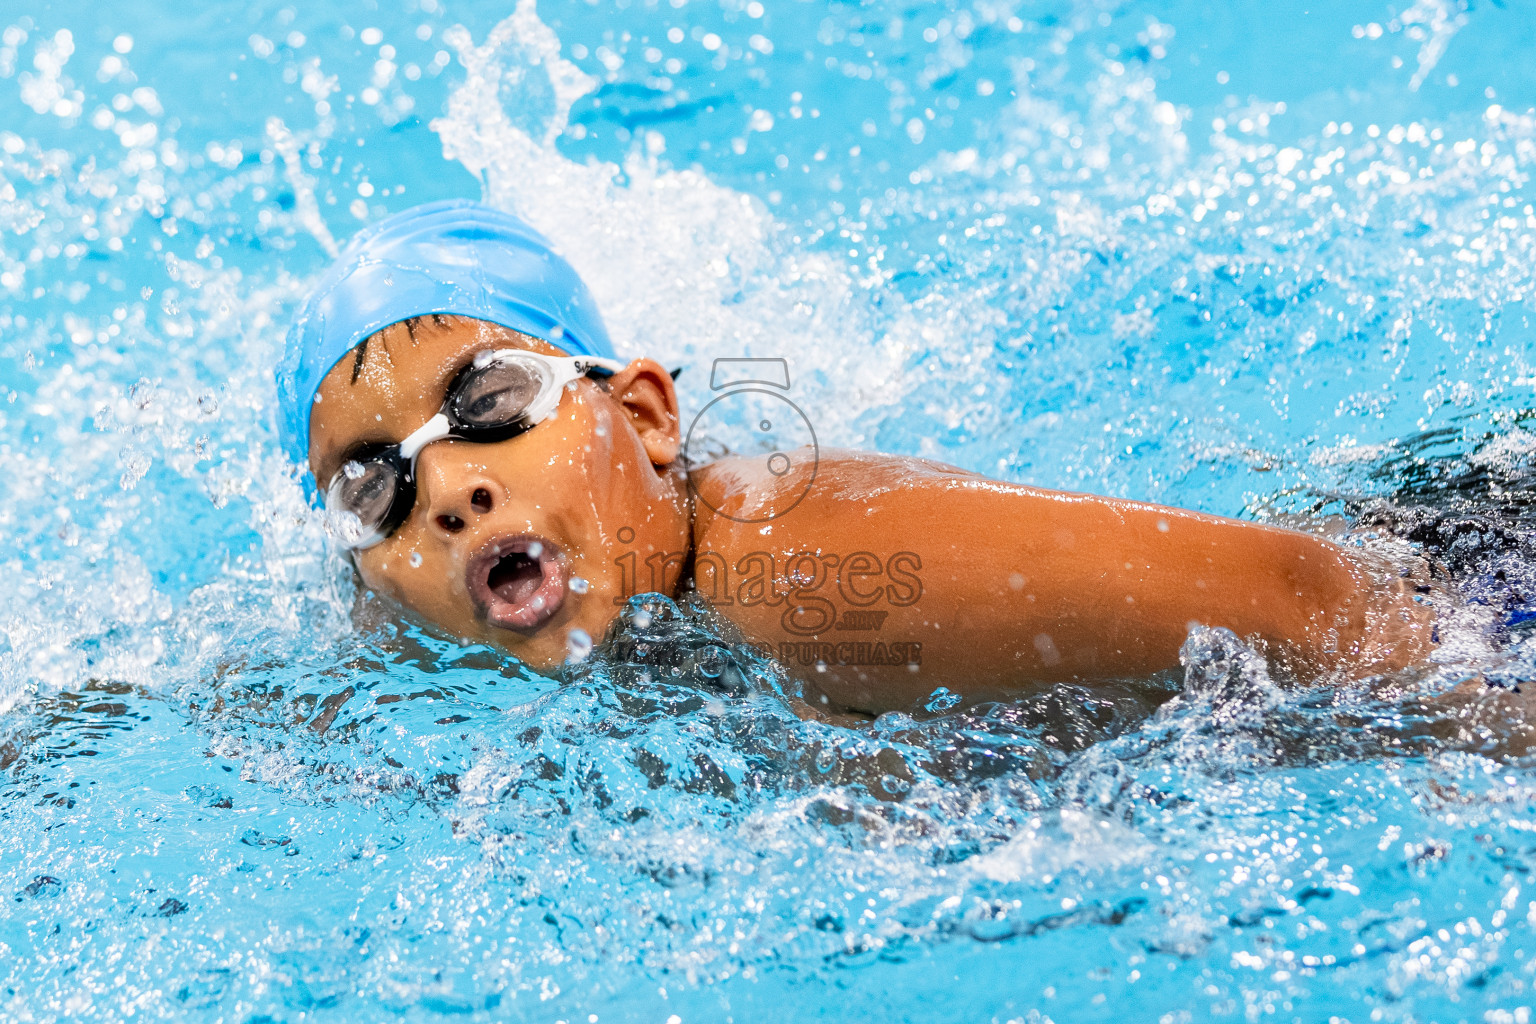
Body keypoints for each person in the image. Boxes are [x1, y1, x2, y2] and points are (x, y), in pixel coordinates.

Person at [278, 200, 1434, 717]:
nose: (449, 488)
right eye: (373, 485)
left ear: (645, 415)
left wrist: (1482, 736)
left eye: (490, 399)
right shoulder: (460, 638)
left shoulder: (798, 567)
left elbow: (1318, 603)